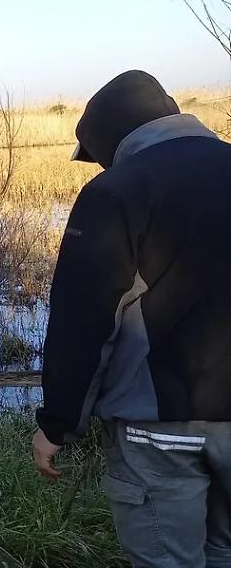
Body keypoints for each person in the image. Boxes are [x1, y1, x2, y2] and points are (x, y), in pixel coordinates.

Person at [31, 70, 231, 567]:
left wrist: (57, 425)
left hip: (159, 428)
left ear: (111, 144)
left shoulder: (115, 193)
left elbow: (84, 325)